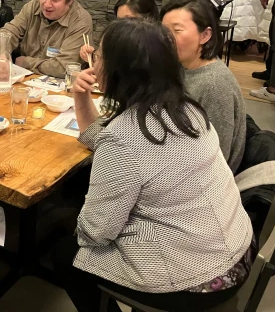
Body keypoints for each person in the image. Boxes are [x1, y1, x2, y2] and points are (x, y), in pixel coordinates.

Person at [54, 18, 253, 312]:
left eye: (100, 58)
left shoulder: (125, 136)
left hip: (200, 280)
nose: (94, 64)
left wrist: (73, 221)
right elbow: (103, 139)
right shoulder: (186, 109)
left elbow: (96, 232)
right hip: (238, 249)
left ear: (120, 71)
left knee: (64, 254)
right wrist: (80, 95)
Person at [162, 0, 246, 173]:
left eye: (176, 31)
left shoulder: (214, 85)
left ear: (205, 35)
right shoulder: (182, 66)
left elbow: (216, 159)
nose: (166, 39)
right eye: (164, 31)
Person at [0, 0, 92, 78]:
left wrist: (25, 62)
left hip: (60, 88)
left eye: (55, 0)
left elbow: (63, 68)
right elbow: (7, 33)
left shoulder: (80, 21)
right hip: (25, 80)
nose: (47, 4)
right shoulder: (32, 6)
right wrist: (2, 54)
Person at [79, 0, 159, 61]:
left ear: (148, 19)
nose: (121, 26)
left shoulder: (154, 51)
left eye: (129, 20)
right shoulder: (117, 40)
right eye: (119, 21)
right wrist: (94, 56)